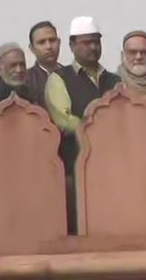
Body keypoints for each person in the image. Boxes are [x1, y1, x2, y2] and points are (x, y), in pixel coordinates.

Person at [45, 16, 121, 234]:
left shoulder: (114, 80)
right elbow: (63, 119)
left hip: (112, 163)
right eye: (86, 42)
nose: (93, 47)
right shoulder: (60, 79)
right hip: (76, 161)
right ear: (72, 45)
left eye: (96, 41)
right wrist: (95, 131)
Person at [27, 21, 62, 108]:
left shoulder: (74, 76)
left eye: (52, 40)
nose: (49, 46)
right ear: (32, 48)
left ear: (59, 43)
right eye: (42, 42)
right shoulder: (26, 82)